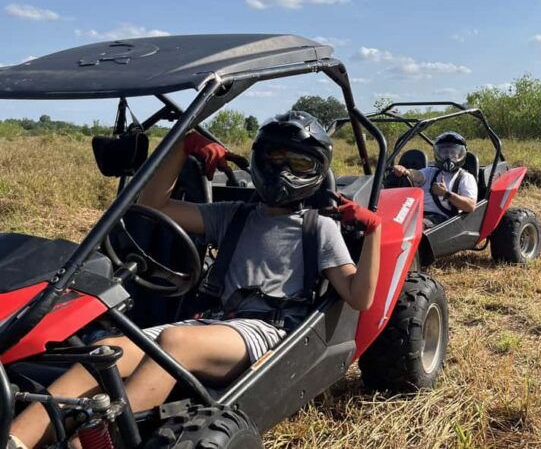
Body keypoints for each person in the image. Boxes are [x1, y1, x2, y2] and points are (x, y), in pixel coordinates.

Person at [8, 111, 381, 448]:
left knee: (176, 340)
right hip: (217, 322)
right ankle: (16, 441)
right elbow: (155, 206)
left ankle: (101, 442)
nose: (283, 171)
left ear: (316, 170)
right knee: (107, 349)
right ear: (258, 159)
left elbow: (358, 297)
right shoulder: (233, 216)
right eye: (274, 158)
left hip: (269, 329)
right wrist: (182, 148)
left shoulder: (320, 228)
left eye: (298, 162)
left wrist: (374, 233)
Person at [390, 131, 477, 228]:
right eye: (444, 152)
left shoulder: (466, 177)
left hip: (444, 221)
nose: (449, 156)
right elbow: (417, 175)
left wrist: (446, 194)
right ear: (438, 153)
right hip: (417, 215)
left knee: (413, 227)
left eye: (453, 152)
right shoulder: (430, 171)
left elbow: (470, 206)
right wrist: (405, 171)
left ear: (460, 154)